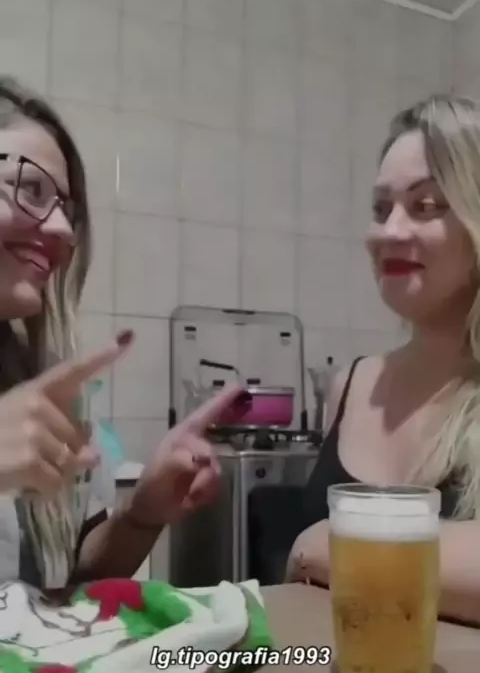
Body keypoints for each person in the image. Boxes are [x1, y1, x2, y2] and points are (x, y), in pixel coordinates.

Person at [0, 76, 247, 591]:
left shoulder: (43, 386)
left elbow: (74, 583)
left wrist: (141, 515)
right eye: (30, 189)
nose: (62, 230)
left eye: (66, 209)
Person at [286, 94, 480, 626]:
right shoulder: (351, 386)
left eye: (426, 205)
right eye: (380, 209)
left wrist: (323, 544)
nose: (388, 232)